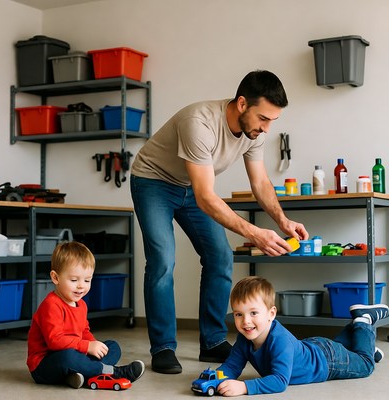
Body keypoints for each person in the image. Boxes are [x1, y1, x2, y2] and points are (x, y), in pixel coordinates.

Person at [130, 70, 309, 374]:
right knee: (162, 259)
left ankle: (212, 342)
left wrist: (282, 221)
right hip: (153, 182)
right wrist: (255, 233)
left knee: (220, 256)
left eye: (271, 122)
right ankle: (163, 347)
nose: (266, 128)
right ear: (242, 104)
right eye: (263, 118)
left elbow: (261, 182)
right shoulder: (199, 123)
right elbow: (206, 197)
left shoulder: (254, 133)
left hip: (190, 188)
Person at [215, 276, 388, 396]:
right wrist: (214, 379)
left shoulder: (279, 340)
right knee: (344, 348)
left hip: (328, 362)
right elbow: (231, 366)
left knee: (365, 364)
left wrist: (245, 387)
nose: (246, 321)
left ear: (271, 313)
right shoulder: (244, 339)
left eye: (253, 313)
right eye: (238, 314)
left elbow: (280, 381)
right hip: (313, 347)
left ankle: (364, 321)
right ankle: (365, 344)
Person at [27, 241, 145, 389]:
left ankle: (79, 375)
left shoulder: (81, 305)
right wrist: (87, 346)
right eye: (74, 280)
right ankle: (112, 372)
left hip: (76, 353)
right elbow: (55, 341)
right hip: (46, 365)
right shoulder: (51, 305)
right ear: (55, 278)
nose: (81, 285)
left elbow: (84, 332)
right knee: (68, 357)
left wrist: (94, 346)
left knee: (112, 347)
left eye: (87, 280)